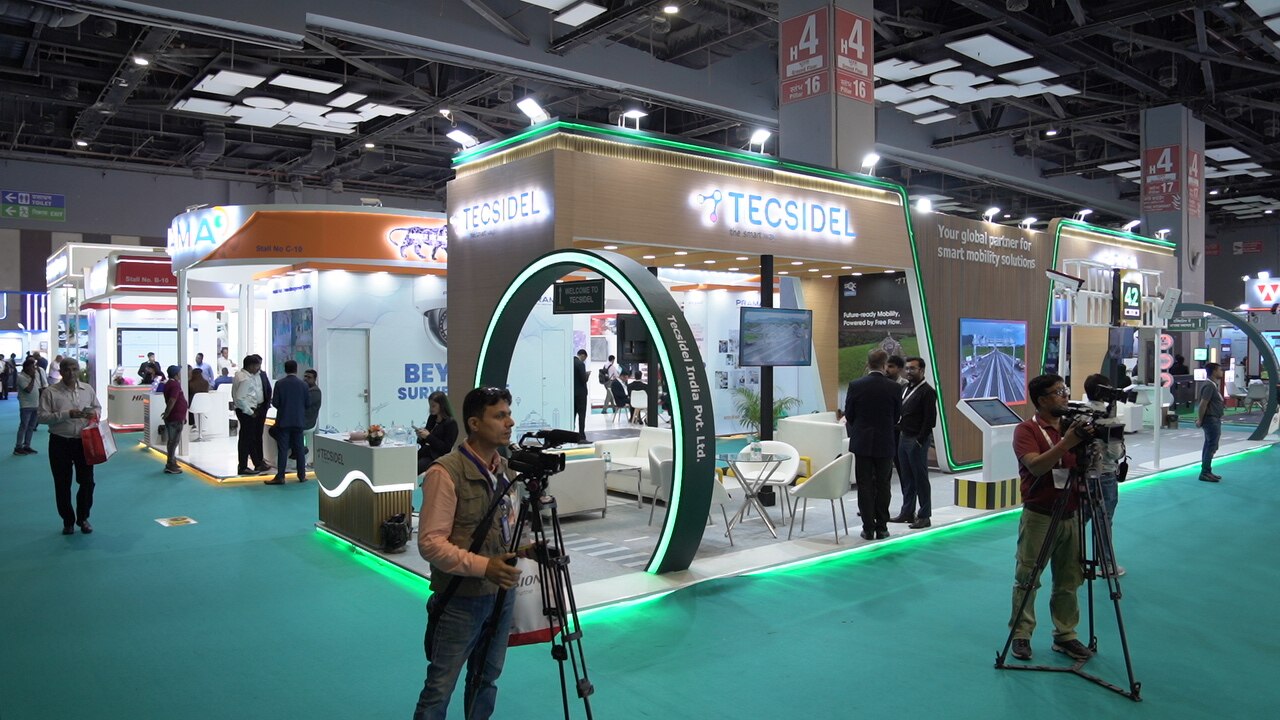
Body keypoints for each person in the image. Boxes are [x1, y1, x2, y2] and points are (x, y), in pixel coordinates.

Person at [411, 386, 522, 720]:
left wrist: (524, 549)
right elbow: (431, 543)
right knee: (439, 688)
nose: (509, 422)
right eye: (499, 416)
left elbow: (505, 528)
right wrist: (484, 567)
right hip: (460, 599)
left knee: (486, 679)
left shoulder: (507, 470)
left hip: (501, 596)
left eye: (509, 414)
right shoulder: (445, 473)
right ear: (475, 423)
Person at [1008, 373, 1092, 663]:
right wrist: (1066, 444)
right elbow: (1036, 466)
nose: (1065, 395)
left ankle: (1066, 635)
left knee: (1070, 579)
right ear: (1042, 400)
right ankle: (1021, 634)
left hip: (1073, 513)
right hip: (1040, 515)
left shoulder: (1073, 426)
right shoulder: (1026, 430)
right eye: (1058, 392)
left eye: (1065, 390)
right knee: (1027, 578)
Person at [37, 356, 102, 535]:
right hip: (60, 442)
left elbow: (97, 407)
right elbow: (41, 417)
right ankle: (68, 521)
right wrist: (66, 414)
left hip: (84, 441)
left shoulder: (87, 389)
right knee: (62, 484)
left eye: (74, 369)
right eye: (67, 369)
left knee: (87, 482)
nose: (71, 373)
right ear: (61, 371)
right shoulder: (50, 392)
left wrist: (94, 414)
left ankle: (83, 518)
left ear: (78, 370)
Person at [844, 349, 902, 540]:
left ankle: (868, 528)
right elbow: (897, 416)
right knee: (884, 484)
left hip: (862, 443)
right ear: (885, 365)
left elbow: (849, 415)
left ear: (868, 364)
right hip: (885, 442)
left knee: (865, 485)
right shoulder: (894, 387)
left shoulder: (856, 385)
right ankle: (882, 527)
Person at [1083, 373, 1126, 577]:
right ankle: (1107, 564)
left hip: (1081, 475)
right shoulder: (1110, 420)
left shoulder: (1080, 414)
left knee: (1077, 520)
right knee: (1103, 521)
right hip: (1105, 475)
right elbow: (1115, 453)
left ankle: (1073, 561)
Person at [893, 357, 937, 529]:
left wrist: (920, 440)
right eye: (907, 369)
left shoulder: (927, 392)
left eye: (913, 368)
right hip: (903, 437)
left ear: (922, 370)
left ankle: (924, 515)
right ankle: (907, 512)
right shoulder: (904, 388)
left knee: (920, 478)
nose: (909, 372)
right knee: (907, 478)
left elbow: (930, 420)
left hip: (917, 440)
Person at [267, 360, 309, 485]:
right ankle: (302, 475)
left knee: (283, 450)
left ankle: (281, 476)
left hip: (283, 421)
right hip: (298, 421)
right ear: (296, 369)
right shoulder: (304, 385)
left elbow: (275, 403)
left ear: (285, 369)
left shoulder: (280, 384)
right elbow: (307, 403)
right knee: (299, 449)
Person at [233, 355, 268, 475]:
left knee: (248, 438)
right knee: (246, 440)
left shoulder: (239, 375)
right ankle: (243, 466)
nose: (258, 368)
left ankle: (255, 463)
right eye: (257, 366)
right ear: (251, 366)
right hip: (247, 412)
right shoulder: (246, 379)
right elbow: (240, 398)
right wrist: (250, 412)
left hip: (243, 411)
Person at [417, 390, 460, 474]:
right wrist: (421, 436)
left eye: (433, 406)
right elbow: (425, 441)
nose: (431, 409)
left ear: (442, 405)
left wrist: (428, 436)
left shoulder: (450, 423)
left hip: (436, 457)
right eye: (430, 406)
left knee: (417, 467)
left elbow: (446, 448)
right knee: (407, 462)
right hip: (425, 452)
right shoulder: (432, 418)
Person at [1195, 362, 1225, 483]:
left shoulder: (1212, 385)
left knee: (1209, 445)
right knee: (1211, 446)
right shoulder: (1209, 386)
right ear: (1214, 371)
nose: (1221, 372)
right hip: (1211, 419)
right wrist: (1200, 419)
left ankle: (1207, 471)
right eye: (1219, 370)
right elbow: (1203, 404)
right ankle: (1205, 472)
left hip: (1214, 419)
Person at [14, 357, 47, 455]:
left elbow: (38, 388)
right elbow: (28, 390)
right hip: (26, 406)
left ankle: (27, 446)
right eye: (33, 367)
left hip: (35, 405)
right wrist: (32, 379)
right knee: (23, 426)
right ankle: (18, 447)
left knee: (31, 427)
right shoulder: (21, 377)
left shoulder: (34, 375)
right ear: (27, 367)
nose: (34, 369)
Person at [161, 365, 187, 474]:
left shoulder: (169, 384)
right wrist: (167, 413)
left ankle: (172, 461)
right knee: (173, 441)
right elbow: (172, 400)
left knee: (173, 441)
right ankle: (170, 464)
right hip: (175, 417)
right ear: (176, 374)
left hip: (176, 416)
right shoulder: (175, 385)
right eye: (179, 372)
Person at [300, 368, 323, 464]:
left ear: (314, 379)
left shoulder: (315, 392)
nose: (306, 379)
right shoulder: (305, 390)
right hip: (301, 420)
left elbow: (302, 404)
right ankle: (298, 448)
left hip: (307, 421)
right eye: (305, 376)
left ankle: (299, 448)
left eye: (309, 377)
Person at [572, 349, 589, 438]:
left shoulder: (570, 362)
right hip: (581, 394)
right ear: (583, 355)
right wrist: (587, 375)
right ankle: (581, 435)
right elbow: (583, 379)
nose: (584, 360)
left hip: (572, 393)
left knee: (573, 414)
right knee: (582, 415)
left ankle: (571, 433)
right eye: (585, 358)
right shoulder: (580, 364)